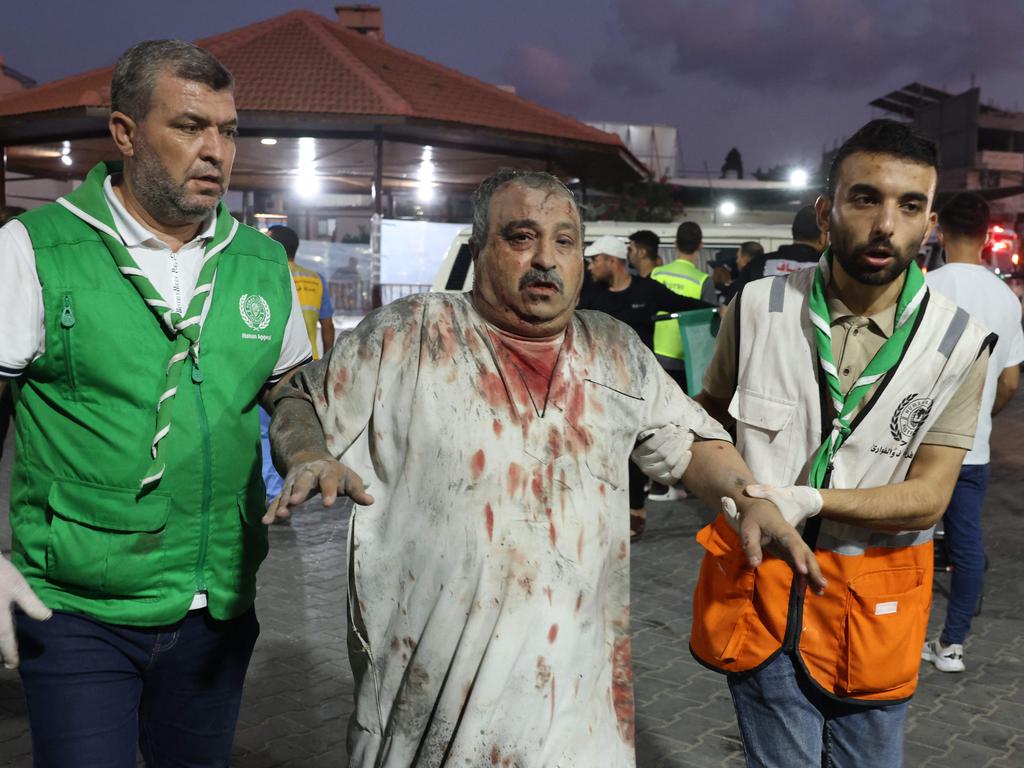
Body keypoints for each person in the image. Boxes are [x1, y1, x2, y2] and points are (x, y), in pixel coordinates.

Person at [267, 168, 824, 766]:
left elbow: (690, 443)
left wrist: (749, 494)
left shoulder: (613, 349)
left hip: (577, 716)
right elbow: (298, 396)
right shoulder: (407, 335)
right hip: (427, 713)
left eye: (564, 242)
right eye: (521, 237)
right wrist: (307, 454)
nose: (544, 260)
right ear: (480, 247)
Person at [0, 40, 312, 765]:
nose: (216, 151)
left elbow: (286, 383)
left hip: (218, 608)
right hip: (77, 608)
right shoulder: (34, 249)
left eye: (228, 131)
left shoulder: (261, 262)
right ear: (125, 132)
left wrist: (308, 449)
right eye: (189, 126)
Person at [691, 119, 993, 767]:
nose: (887, 223)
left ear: (930, 221)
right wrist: (734, 491)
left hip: (873, 620)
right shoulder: (756, 307)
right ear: (827, 213)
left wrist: (808, 498)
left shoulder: (959, 343)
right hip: (761, 600)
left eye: (910, 206)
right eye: (867, 199)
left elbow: (930, 498)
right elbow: (707, 425)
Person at [922, 192, 1024, 672]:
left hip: (919, 448)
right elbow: (1009, 381)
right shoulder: (1007, 299)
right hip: (973, 449)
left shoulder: (925, 287)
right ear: (987, 235)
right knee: (966, 546)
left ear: (938, 229)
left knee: (910, 542)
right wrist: (983, 414)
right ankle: (952, 644)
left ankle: (894, 637)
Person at [579, 234, 712, 540]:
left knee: (633, 449)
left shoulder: (647, 290)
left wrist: (725, 310)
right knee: (600, 447)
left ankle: (636, 511)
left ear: (612, 261)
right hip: (595, 384)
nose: (590, 267)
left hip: (635, 386)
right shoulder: (589, 294)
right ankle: (602, 509)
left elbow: (686, 305)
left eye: (595, 260)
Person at [259, 225, 335, 503]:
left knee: (267, 432)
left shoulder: (266, 272)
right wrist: (326, 362)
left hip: (270, 366)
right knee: (292, 426)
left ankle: (273, 492)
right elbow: (327, 325)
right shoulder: (316, 279)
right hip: (305, 368)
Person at [651, 221, 717, 389]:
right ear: (700, 245)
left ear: (675, 243)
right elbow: (712, 324)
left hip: (654, 354)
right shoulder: (703, 280)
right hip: (687, 359)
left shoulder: (656, 273)